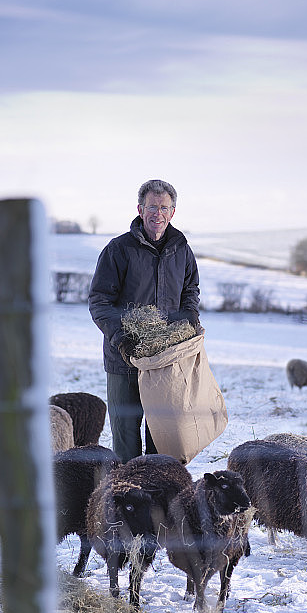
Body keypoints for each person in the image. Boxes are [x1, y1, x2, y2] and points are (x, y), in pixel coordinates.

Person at [88, 179, 201, 462]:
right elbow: (100, 301)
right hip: (123, 360)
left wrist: (189, 319)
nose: (157, 214)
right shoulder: (118, 249)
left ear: (172, 212)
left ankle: (155, 490)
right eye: (152, 207)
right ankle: (124, 489)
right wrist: (121, 339)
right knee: (125, 443)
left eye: (164, 208)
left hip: (165, 362)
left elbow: (190, 291)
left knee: (161, 442)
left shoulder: (182, 250)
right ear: (140, 209)